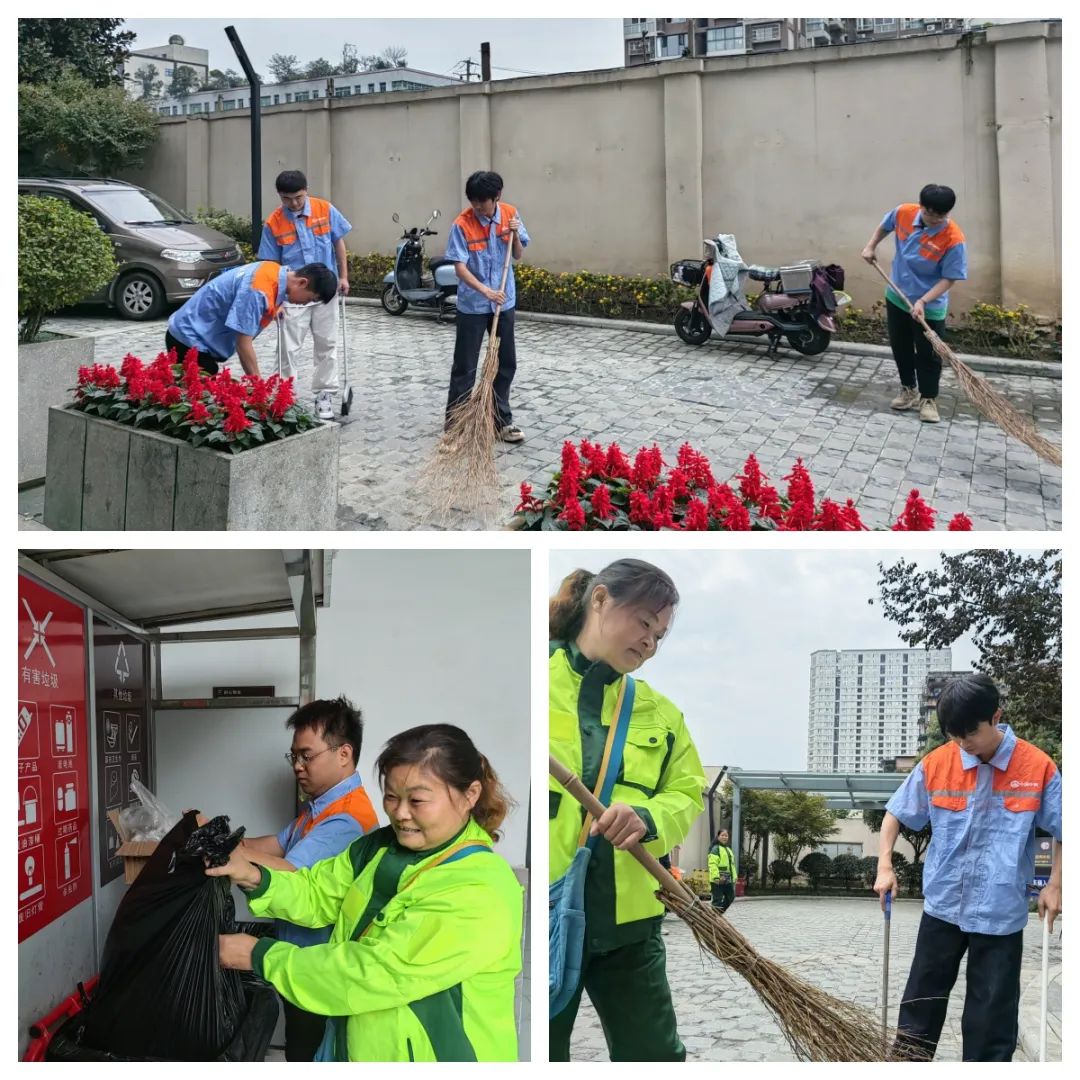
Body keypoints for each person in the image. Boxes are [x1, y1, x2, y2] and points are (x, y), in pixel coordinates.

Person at [209, 724, 523, 1062]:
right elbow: (317, 893)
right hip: (351, 1043)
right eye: (391, 796)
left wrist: (260, 956)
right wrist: (253, 875)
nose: (400, 813)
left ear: (470, 795)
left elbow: (374, 971)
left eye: (417, 800)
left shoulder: (479, 887)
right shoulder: (378, 847)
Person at [549, 559, 706, 1061]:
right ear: (599, 599)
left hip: (630, 928)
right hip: (546, 917)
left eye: (659, 635)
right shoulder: (533, 680)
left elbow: (689, 791)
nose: (649, 643)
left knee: (655, 1056)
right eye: (644, 623)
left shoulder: (661, 714)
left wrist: (648, 816)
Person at [873, 673, 1062, 1061]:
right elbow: (895, 814)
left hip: (1000, 911)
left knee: (992, 1015)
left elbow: (1065, 830)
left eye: (970, 733)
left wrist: (1055, 885)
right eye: (954, 735)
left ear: (996, 717)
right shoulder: (937, 763)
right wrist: (884, 865)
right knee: (920, 1004)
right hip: (944, 905)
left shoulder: (1037, 767)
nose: (963, 744)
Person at [236, 697, 378, 1062]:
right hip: (300, 962)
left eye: (306, 756)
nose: (297, 766)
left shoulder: (346, 820)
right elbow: (275, 845)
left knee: (306, 1050)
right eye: (294, 756)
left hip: (319, 968)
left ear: (344, 754)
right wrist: (227, 841)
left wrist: (232, 858)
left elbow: (289, 874)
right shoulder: (319, 809)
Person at [861, 183, 968, 424]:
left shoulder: (953, 239)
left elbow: (949, 278)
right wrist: (871, 246)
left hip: (929, 304)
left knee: (929, 353)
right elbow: (885, 225)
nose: (934, 219)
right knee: (901, 346)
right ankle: (908, 389)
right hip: (897, 294)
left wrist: (923, 300)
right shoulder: (904, 212)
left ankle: (928, 398)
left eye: (940, 215)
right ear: (922, 207)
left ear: (948, 213)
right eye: (930, 213)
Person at [258, 170, 353, 419]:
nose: (294, 203)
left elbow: (338, 243)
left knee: (327, 345)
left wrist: (343, 276)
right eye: (287, 199)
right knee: (287, 349)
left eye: (298, 197)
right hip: (292, 296)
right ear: (279, 195)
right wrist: (275, 301)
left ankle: (324, 395)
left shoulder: (325, 209)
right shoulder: (273, 222)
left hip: (325, 292)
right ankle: (285, 397)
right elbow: (269, 266)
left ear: (306, 190)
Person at [444, 170, 530, 443]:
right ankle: (455, 426)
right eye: (473, 201)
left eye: (482, 201)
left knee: (505, 363)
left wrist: (514, 234)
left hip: (504, 302)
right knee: (465, 367)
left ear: (497, 197)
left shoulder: (510, 214)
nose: (477, 206)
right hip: (474, 305)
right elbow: (459, 267)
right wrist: (486, 291)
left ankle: (501, 421)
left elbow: (517, 254)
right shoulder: (462, 224)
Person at [166, 260, 337, 376]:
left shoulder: (273, 271)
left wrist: (275, 308)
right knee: (197, 401)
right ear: (302, 282)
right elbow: (243, 344)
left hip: (193, 335)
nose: (305, 304)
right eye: (310, 299)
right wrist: (258, 386)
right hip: (187, 340)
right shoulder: (257, 291)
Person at [708, 828, 737, 913]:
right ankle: (714, 916)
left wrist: (734, 877)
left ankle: (718, 913)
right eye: (722, 835)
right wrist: (716, 877)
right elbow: (712, 864)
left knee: (731, 897)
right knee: (717, 899)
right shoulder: (715, 849)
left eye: (726, 836)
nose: (724, 837)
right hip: (718, 879)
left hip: (727, 879)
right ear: (718, 837)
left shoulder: (728, 849)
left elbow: (732, 865)